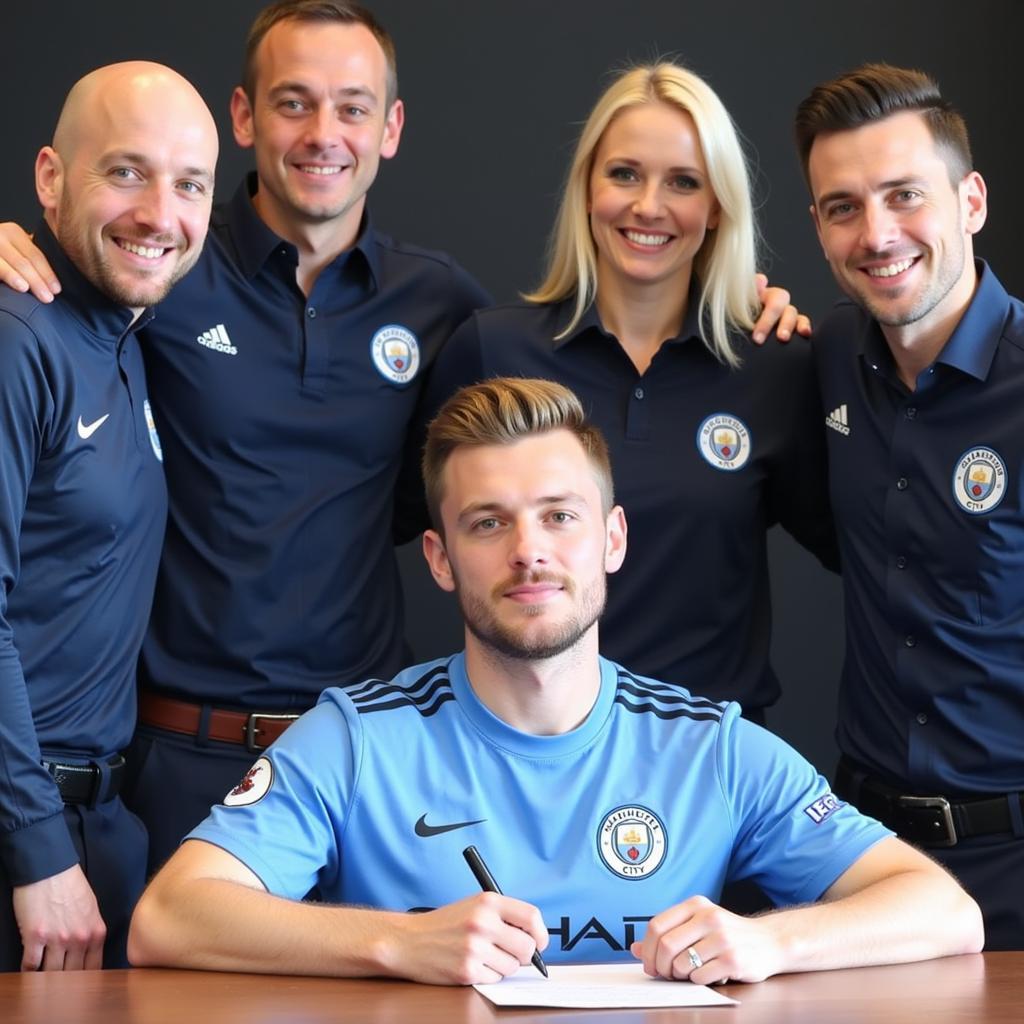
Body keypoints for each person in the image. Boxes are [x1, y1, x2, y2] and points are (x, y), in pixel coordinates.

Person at [0, 7, 803, 871]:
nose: (322, 134)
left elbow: (472, 493)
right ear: (244, 118)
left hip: (368, 754)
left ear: (390, 128)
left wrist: (744, 299)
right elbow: (86, 267)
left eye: (351, 107)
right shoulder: (166, 268)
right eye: (293, 103)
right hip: (172, 751)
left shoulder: (441, 307)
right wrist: (15, 241)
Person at [127, 377, 981, 984]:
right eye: (487, 522)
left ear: (611, 539)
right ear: (439, 557)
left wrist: (770, 944)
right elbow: (170, 917)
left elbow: (943, 913)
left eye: (559, 516)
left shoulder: (707, 747)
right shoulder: (356, 737)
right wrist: (398, 944)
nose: (528, 551)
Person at [427, 63, 835, 724]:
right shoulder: (491, 351)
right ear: (587, 188)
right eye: (624, 174)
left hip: (709, 764)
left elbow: (872, 552)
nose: (649, 205)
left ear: (716, 207)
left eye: (683, 182)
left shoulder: (776, 366)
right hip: (525, 750)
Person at [795, 63, 1024, 950]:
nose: (877, 233)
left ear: (970, 201)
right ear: (817, 227)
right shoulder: (819, 358)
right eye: (843, 207)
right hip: (862, 857)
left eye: (904, 196)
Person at [0, 63, 218, 971]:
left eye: (189, 184)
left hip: (101, 823)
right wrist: (37, 847)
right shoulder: (18, 341)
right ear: (51, 178)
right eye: (125, 172)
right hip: (26, 841)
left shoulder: (127, 337)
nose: (159, 214)